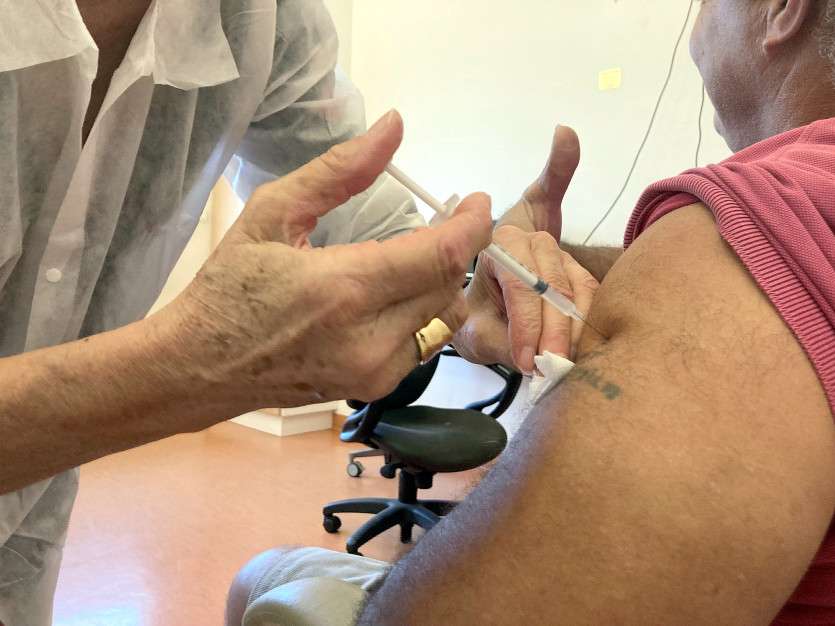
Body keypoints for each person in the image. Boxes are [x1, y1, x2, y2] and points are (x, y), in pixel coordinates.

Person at [229, 0, 835, 624]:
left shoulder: (747, 230)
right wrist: (517, 265)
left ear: (782, 9)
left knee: (259, 579)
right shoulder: (794, 229)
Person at [0, 1, 597, 624]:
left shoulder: (259, 18)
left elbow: (363, 217)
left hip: (30, 521)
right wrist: (189, 365)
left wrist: (463, 285)